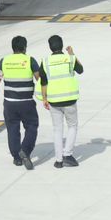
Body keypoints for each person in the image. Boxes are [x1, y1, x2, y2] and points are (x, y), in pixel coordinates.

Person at [0, 35, 46, 169]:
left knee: (12, 129)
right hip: (26, 103)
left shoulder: (4, 61)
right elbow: (39, 79)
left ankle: (17, 158)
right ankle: (25, 150)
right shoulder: (30, 60)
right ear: (24, 47)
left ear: (13, 48)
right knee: (31, 126)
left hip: (9, 103)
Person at [42, 35, 85, 169]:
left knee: (57, 130)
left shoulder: (45, 61)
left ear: (50, 47)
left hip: (54, 100)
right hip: (69, 99)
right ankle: (68, 154)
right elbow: (80, 70)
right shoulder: (69, 58)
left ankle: (59, 160)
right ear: (62, 45)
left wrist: (44, 98)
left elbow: (43, 81)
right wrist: (72, 54)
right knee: (72, 126)